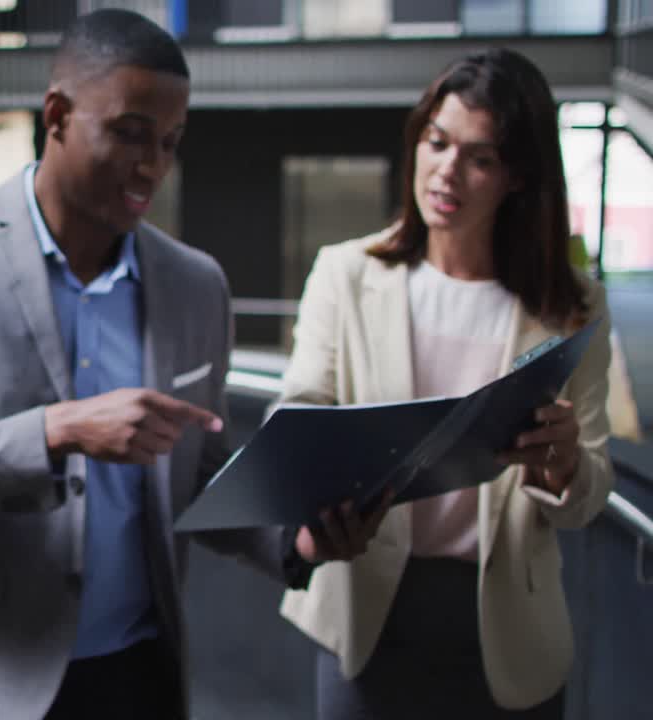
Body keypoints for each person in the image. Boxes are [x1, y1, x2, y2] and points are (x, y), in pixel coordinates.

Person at [0, 9, 383, 720]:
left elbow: (195, 467)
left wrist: (297, 541)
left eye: (169, 141)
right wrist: (54, 432)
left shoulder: (197, 285)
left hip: (137, 676)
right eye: (131, 132)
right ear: (57, 116)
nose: (153, 165)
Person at [278, 48, 614, 720]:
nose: (446, 171)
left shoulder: (572, 305)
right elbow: (300, 413)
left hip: (510, 631)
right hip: (364, 610)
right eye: (436, 142)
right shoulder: (346, 273)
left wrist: (564, 466)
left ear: (518, 176)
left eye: (480, 158)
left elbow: (590, 491)